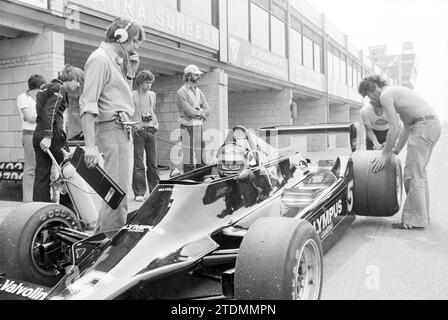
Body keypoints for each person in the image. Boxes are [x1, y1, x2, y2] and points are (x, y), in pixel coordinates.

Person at [80, 16, 145, 233]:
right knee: (116, 197)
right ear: (121, 36)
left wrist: (131, 72)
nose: (137, 46)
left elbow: (118, 95)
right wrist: (89, 145)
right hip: (111, 129)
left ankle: (100, 242)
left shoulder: (115, 61)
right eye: (135, 41)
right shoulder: (100, 59)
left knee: (115, 194)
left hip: (120, 129)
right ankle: (110, 252)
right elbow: (88, 104)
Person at [359, 75, 441, 230]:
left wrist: (384, 154)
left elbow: (394, 127)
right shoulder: (396, 93)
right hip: (431, 125)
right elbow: (406, 128)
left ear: (373, 90)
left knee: (412, 174)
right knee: (419, 173)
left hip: (423, 126)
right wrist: (395, 150)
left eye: (368, 96)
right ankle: (420, 217)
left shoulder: (385, 95)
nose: (371, 100)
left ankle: (413, 221)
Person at [33, 66, 83, 202]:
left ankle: (40, 210)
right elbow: (50, 112)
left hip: (38, 132)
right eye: (78, 81)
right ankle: (70, 210)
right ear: (72, 78)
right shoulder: (59, 88)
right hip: (52, 135)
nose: (78, 85)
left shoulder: (47, 87)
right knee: (69, 170)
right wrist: (48, 136)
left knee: (41, 175)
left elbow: (42, 111)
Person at [16, 75, 46, 202]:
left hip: (41, 134)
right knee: (30, 169)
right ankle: (28, 202)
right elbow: (29, 117)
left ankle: (38, 200)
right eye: (42, 88)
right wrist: (44, 117)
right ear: (36, 88)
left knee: (42, 168)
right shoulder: (23, 97)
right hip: (29, 134)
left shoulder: (41, 98)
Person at [176, 64, 211, 173]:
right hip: (187, 128)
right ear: (188, 76)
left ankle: (203, 179)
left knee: (201, 158)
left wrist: (198, 112)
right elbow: (189, 112)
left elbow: (208, 111)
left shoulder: (200, 92)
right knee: (188, 160)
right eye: (196, 75)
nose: (198, 77)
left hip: (199, 127)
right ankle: (190, 181)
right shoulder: (181, 92)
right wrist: (200, 111)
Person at [132, 70, 160, 202]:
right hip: (138, 131)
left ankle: (154, 190)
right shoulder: (132, 95)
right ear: (140, 82)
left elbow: (152, 111)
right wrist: (134, 125)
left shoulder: (152, 95)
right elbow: (129, 113)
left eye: (150, 83)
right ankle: (139, 192)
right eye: (146, 82)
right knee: (139, 163)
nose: (149, 85)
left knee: (152, 162)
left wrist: (156, 123)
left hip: (151, 130)